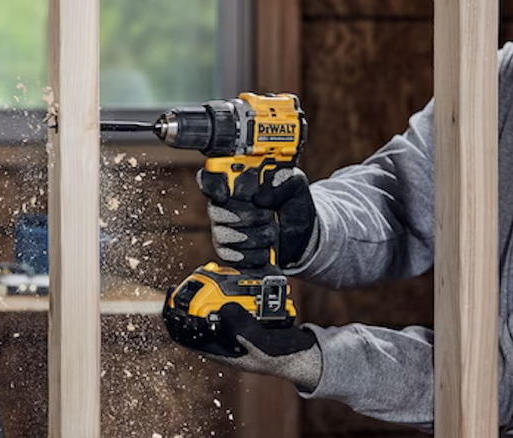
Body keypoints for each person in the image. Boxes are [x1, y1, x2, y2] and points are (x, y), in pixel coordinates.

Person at [165, 43, 513, 433]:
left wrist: (316, 360)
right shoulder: (503, 76)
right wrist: (309, 227)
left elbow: (501, 387)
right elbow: (407, 193)